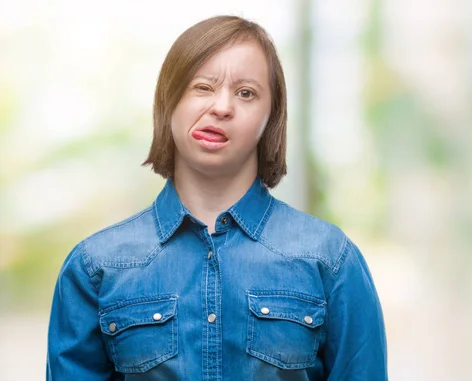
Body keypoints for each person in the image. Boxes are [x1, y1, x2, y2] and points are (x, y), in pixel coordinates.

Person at [46, 15, 387, 381]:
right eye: (203, 87)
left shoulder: (330, 260)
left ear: (270, 118)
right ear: (169, 100)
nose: (222, 107)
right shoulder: (95, 267)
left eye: (246, 93)